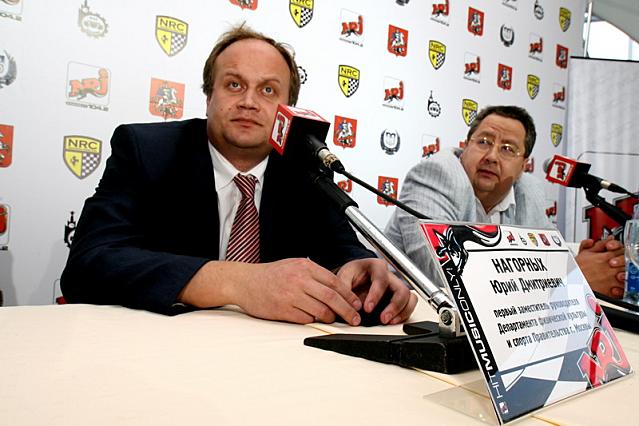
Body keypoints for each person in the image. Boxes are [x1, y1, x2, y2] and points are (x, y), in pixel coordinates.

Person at [61, 24, 417, 325]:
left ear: (286, 112)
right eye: (234, 84)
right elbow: (87, 265)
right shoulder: (147, 150)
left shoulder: (304, 171)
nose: (248, 101)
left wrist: (363, 272)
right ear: (208, 96)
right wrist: (239, 282)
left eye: (267, 90)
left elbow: (341, 249)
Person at [386, 105, 625, 298]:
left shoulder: (528, 192)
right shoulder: (437, 175)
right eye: (484, 142)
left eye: (508, 149)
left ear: (523, 166)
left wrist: (584, 262)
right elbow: (444, 274)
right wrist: (571, 277)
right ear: (466, 146)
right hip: (399, 319)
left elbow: (549, 258)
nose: (491, 156)